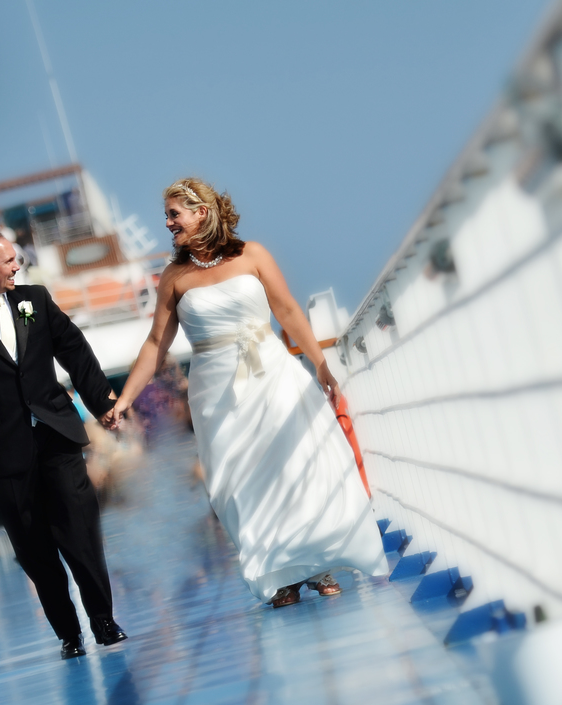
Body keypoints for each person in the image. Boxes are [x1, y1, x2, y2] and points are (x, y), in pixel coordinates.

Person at [106, 178, 388, 607]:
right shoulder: (174, 277)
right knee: (240, 481)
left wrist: (321, 365)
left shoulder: (252, 254)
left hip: (272, 373)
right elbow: (156, 343)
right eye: (166, 216)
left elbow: (287, 310)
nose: (167, 223)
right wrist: (124, 399)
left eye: (174, 214)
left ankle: (319, 564)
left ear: (201, 212)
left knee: (296, 465)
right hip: (215, 391)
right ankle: (278, 575)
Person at [0, 231, 128, 659]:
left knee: (81, 532)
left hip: (57, 436)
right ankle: (69, 634)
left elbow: (75, 352)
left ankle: (103, 620)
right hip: (2, 452)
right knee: (34, 548)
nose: (17, 266)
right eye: (9, 261)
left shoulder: (35, 299)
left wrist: (102, 403)